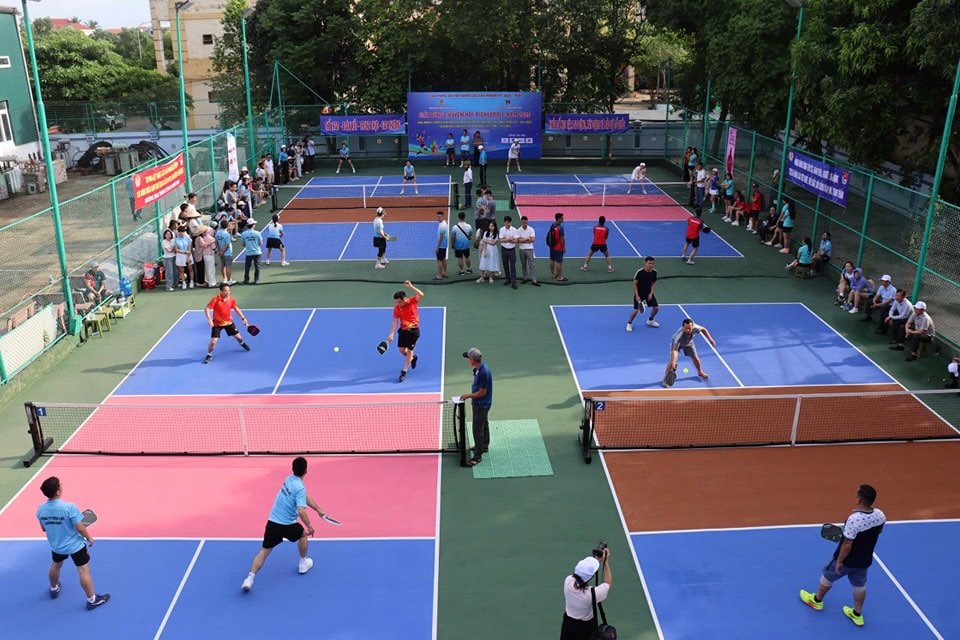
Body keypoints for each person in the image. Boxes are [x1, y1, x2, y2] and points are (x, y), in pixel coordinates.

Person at [800, 484, 886, 628]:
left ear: (859, 500)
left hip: (847, 560)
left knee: (827, 575)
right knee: (859, 586)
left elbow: (847, 544)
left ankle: (816, 600)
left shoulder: (854, 519)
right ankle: (857, 614)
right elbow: (877, 532)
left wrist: (839, 561)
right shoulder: (880, 515)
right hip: (864, 560)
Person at [241, 457, 328, 593]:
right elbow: (301, 510)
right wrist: (310, 526)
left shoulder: (288, 480)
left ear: (293, 469)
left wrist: (318, 509)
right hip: (287, 526)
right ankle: (303, 563)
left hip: (272, 524)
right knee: (303, 534)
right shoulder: (299, 487)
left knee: (264, 552)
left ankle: (249, 579)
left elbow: (303, 495)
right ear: (306, 471)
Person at [36, 477, 109, 609]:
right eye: (60, 485)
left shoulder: (40, 509)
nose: (62, 486)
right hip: (75, 546)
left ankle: (53, 588)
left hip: (57, 546)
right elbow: (80, 527)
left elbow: (44, 528)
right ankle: (92, 600)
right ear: (58, 492)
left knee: (56, 565)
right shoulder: (69, 507)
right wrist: (89, 538)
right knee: (83, 570)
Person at [560, 549, 612, 640]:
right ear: (590, 577)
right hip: (585, 627)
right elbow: (607, 582)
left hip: (568, 624)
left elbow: (580, 575)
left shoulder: (568, 581)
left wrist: (597, 560)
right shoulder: (592, 594)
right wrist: (606, 562)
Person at [385, 280, 424, 382]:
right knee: (402, 350)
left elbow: (421, 294)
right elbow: (395, 322)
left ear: (404, 299)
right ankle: (413, 357)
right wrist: (391, 334)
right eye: (396, 302)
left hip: (414, 331)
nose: (397, 304)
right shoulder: (397, 308)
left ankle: (404, 372)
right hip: (403, 330)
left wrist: (411, 286)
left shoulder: (412, 301)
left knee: (410, 350)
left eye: (399, 301)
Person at [461, 347, 492, 466]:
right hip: (483, 403)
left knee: (477, 429)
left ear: (473, 359)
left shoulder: (483, 372)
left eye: (469, 358)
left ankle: (477, 456)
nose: (468, 360)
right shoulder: (479, 369)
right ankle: (484, 446)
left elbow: (482, 392)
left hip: (481, 404)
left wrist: (468, 396)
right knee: (484, 423)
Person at [204, 284, 251, 363]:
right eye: (226, 291)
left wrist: (243, 318)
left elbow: (236, 308)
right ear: (221, 291)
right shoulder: (215, 299)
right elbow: (207, 308)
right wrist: (209, 319)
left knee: (240, 338)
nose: (228, 292)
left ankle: (242, 343)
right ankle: (209, 355)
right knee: (213, 342)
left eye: (229, 290)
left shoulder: (231, 299)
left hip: (229, 323)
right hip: (217, 324)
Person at [664, 318, 717, 385]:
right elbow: (675, 351)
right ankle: (665, 378)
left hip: (689, 342)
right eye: (686, 328)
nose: (688, 330)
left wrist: (710, 339)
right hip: (678, 344)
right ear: (683, 327)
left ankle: (700, 372)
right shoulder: (678, 337)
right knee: (672, 361)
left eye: (690, 328)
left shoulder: (695, 328)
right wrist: (674, 364)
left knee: (695, 357)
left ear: (692, 326)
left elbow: (703, 329)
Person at [626, 256, 660, 330]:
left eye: (652, 263)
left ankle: (650, 320)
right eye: (649, 263)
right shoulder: (640, 272)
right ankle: (629, 323)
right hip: (639, 294)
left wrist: (651, 293)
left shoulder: (654, 272)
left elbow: (654, 283)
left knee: (656, 308)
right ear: (645, 263)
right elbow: (634, 283)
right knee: (635, 310)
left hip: (648, 293)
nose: (650, 265)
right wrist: (637, 295)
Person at [516, 215, 539, 286]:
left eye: (526, 223)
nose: (525, 224)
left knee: (532, 265)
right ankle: (525, 278)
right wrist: (527, 239)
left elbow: (533, 239)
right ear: (521, 222)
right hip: (522, 250)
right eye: (524, 223)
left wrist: (523, 239)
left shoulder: (531, 229)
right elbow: (518, 240)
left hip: (529, 249)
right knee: (523, 265)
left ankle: (534, 280)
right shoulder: (518, 230)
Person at [499, 215, 519, 288]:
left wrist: (506, 239)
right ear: (504, 222)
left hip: (512, 251)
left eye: (510, 223)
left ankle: (514, 282)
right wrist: (510, 239)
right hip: (504, 250)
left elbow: (516, 241)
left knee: (512, 266)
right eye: (507, 222)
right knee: (505, 265)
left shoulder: (514, 230)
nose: (509, 224)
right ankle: (508, 279)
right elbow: (500, 240)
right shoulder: (501, 230)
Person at [240, 219, 262, 285]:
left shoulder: (244, 234)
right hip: (257, 252)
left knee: (247, 267)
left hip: (248, 253)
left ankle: (246, 280)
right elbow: (261, 243)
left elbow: (243, 244)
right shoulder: (257, 233)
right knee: (257, 266)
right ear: (253, 225)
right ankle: (256, 280)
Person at [451, 211, 473, 276]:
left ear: (458, 217)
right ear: (464, 217)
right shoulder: (469, 226)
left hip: (458, 246)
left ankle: (462, 271)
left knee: (460, 258)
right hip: (466, 245)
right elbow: (470, 234)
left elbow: (453, 237)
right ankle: (469, 269)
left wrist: (452, 244)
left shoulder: (455, 227)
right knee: (467, 257)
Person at [215, 220, 235, 285]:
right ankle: (229, 281)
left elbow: (216, 242)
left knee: (223, 265)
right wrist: (222, 252)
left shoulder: (217, 233)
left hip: (221, 252)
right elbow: (227, 245)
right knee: (228, 266)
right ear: (227, 226)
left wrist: (219, 251)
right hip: (227, 253)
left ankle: (224, 279)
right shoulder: (227, 234)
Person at [548, 212, 567, 281]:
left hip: (552, 246)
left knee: (552, 260)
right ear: (559, 219)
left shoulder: (553, 225)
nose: (563, 219)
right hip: (558, 248)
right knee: (559, 262)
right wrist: (564, 247)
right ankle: (559, 277)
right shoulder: (560, 228)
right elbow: (562, 239)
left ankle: (553, 274)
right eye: (562, 218)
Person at [435, 210, 449, 280]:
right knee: (443, 259)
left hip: (441, 245)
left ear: (443, 216)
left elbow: (441, 237)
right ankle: (445, 273)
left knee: (439, 260)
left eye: (439, 217)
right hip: (444, 245)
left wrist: (437, 247)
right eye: (437, 217)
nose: (437, 218)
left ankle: (440, 275)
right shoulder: (443, 223)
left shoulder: (442, 225)